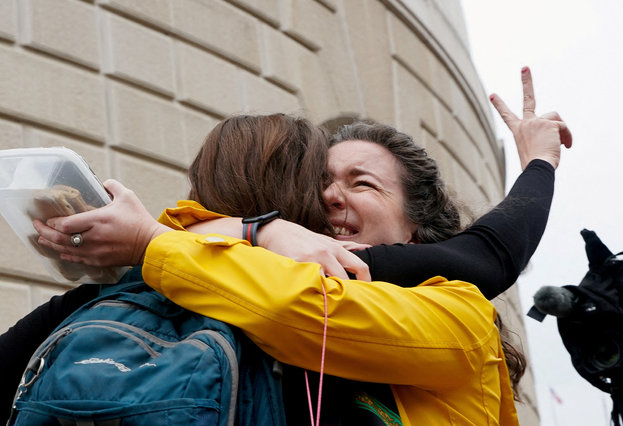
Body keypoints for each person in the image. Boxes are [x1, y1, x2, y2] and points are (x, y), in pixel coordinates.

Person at [5, 67, 569, 424]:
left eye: (361, 183)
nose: (329, 199)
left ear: (418, 225)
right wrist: (255, 231)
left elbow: (293, 305)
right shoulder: (226, 287)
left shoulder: (456, 311)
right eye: (321, 184)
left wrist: (170, 240)